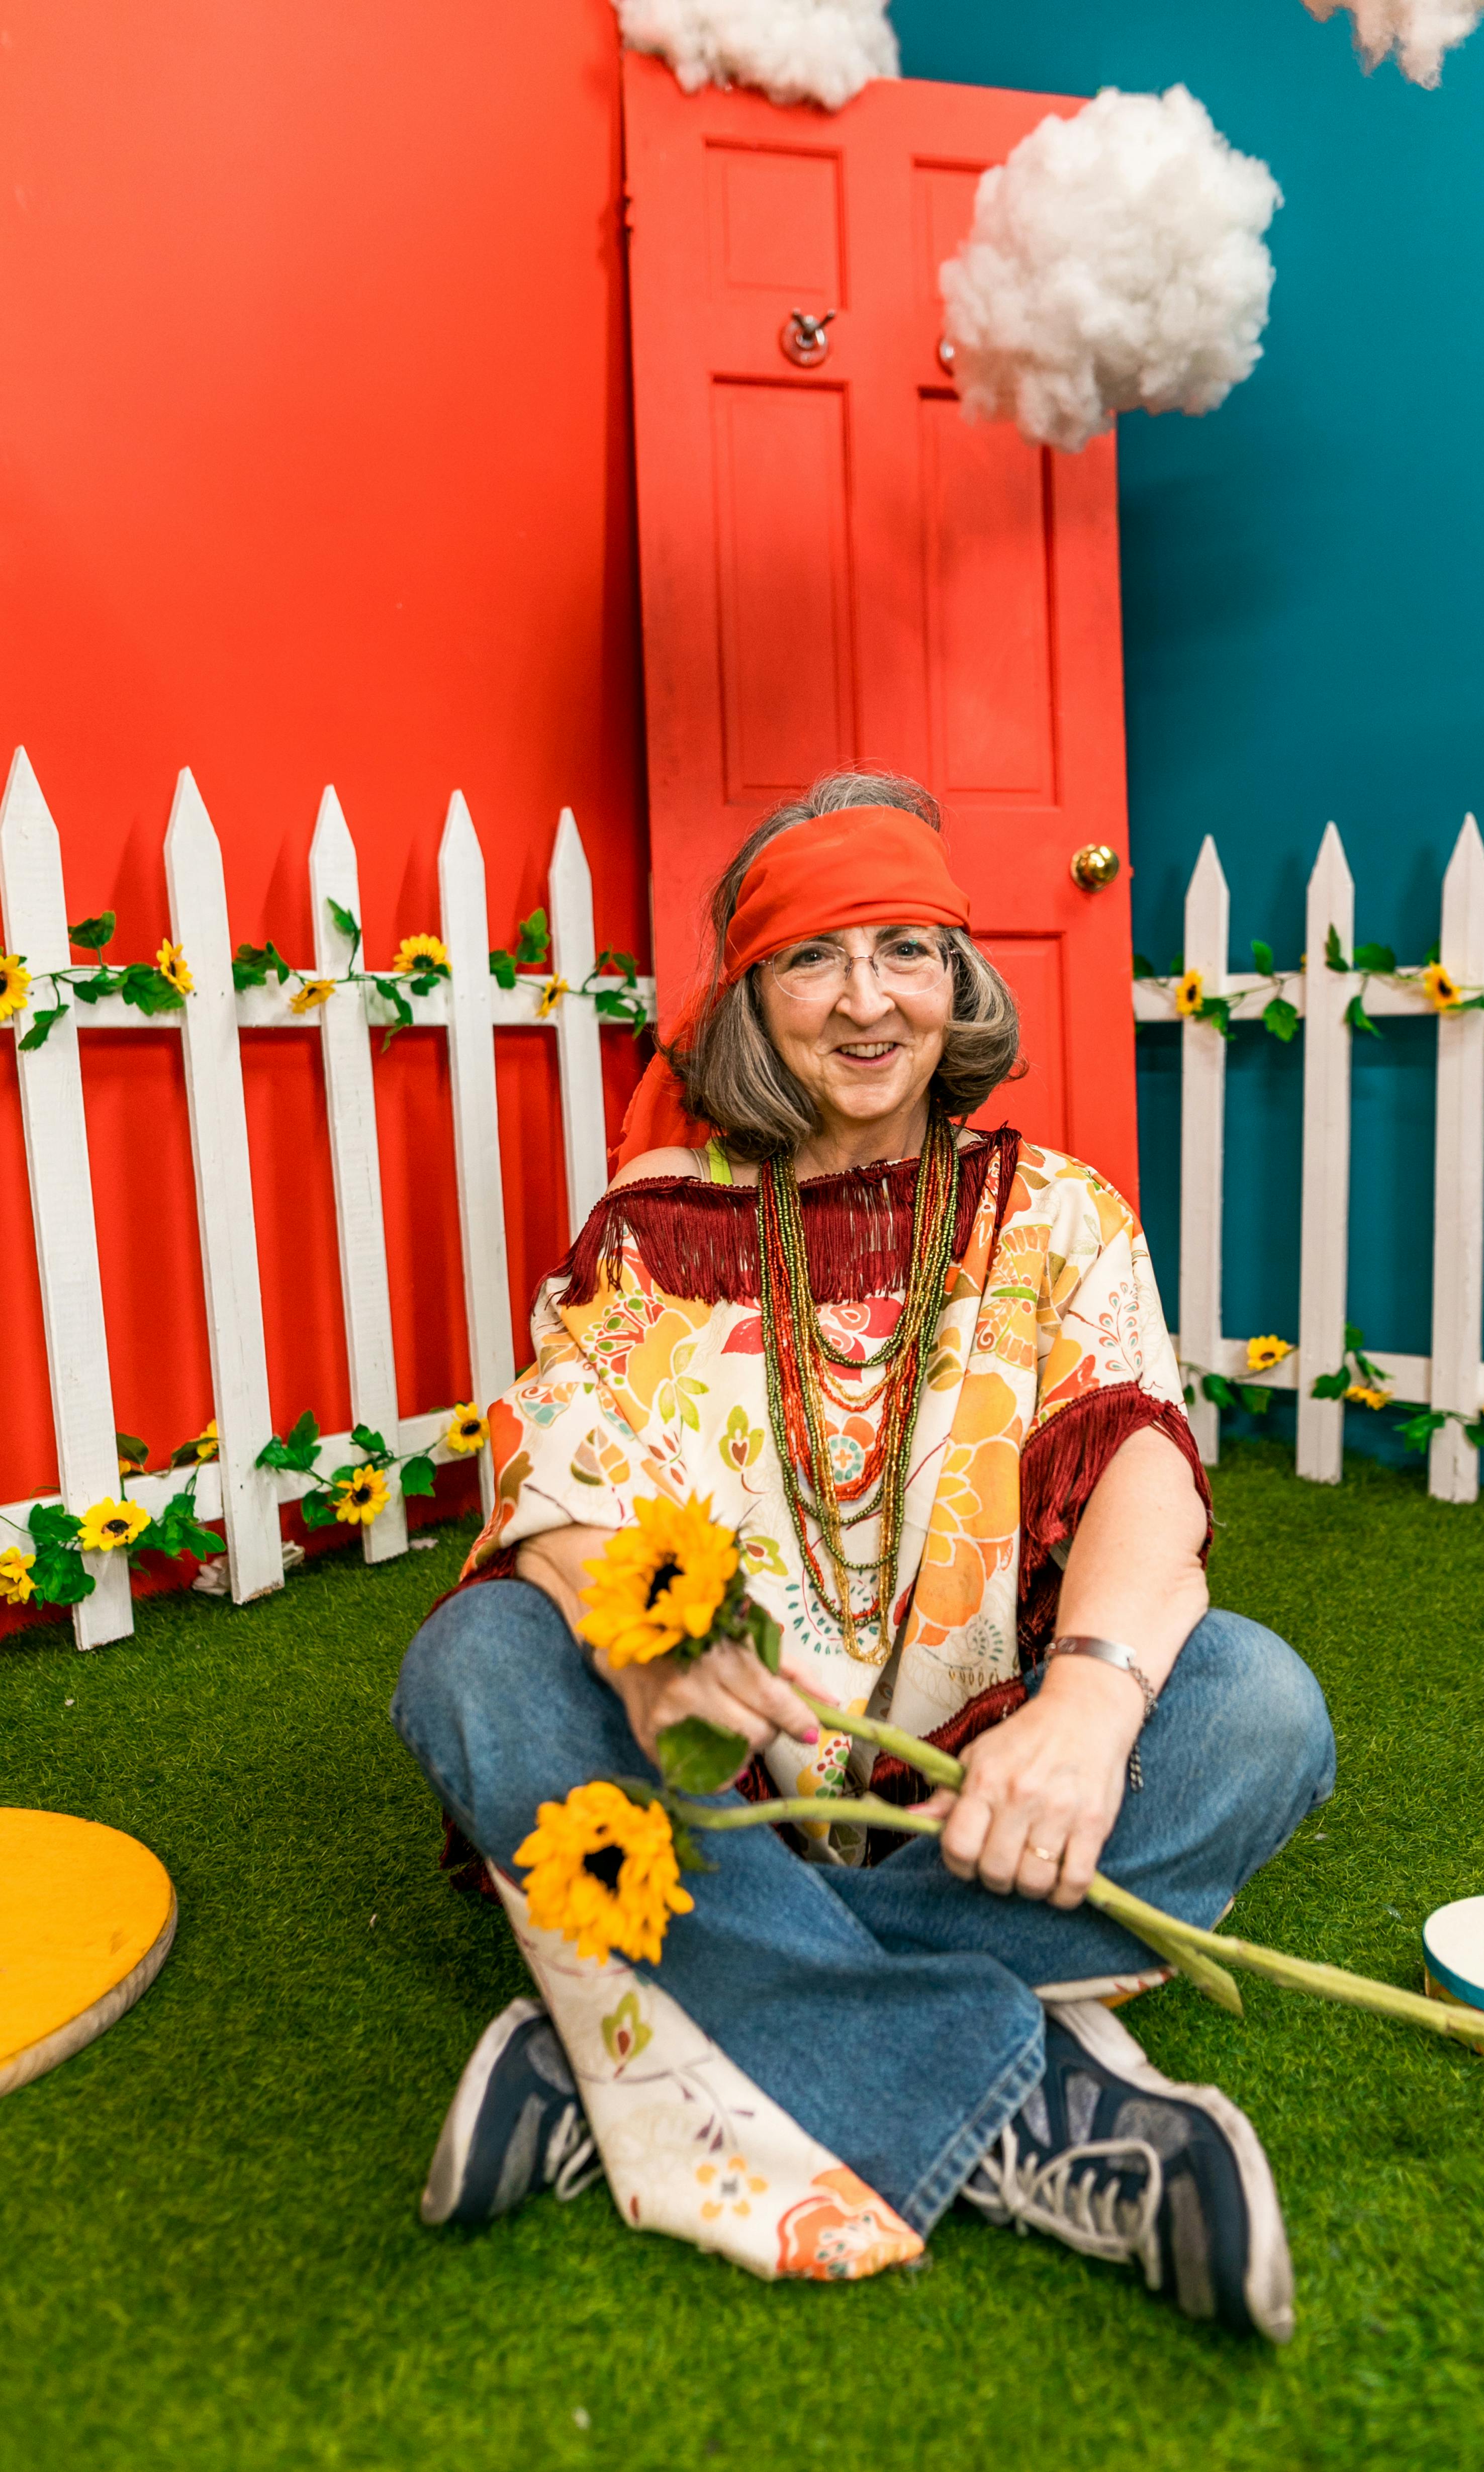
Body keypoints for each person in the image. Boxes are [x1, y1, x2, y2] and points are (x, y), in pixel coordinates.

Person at [392, 770, 1334, 2339]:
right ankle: (1030, 2112)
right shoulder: (651, 1220)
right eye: (816, 957)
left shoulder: (1061, 1214)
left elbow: (1149, 1476)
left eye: (907, 949)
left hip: (988, 1789)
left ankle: (623, 2044)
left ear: (959, 982)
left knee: (1257, 1709)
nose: (867, 1000)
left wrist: (1091, 1705)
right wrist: (638, 1630)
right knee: (472, 1664)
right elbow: (558, 1470)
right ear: (754, 999)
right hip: (722, 1784)